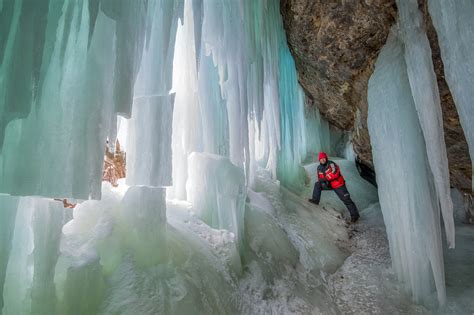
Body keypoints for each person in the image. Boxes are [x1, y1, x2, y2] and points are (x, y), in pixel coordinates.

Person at [308, 152, 360, 223]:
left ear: (326, 158)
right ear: (319, 160)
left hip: (338, 184)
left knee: (346, 200)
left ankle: (355, 216)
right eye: (321, 159)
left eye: (323, 158)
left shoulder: (331, 164)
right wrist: (324, 181)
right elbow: (320, 178)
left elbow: (335, 173)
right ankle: (315, 200)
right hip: (328, 184)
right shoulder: (319, 168)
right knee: (318, 184)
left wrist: (326, 178)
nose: (322, 160)